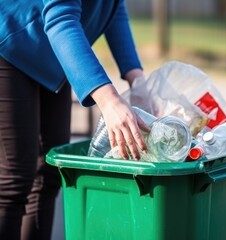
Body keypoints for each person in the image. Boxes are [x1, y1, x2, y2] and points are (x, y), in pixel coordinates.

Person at [0, 0, 148, 239]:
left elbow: (112, 6)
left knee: (48, 174)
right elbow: (61, 17)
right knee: (15, 181)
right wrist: (108, 100)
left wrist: (137, 78)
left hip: (52, 50)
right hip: (11, 38)